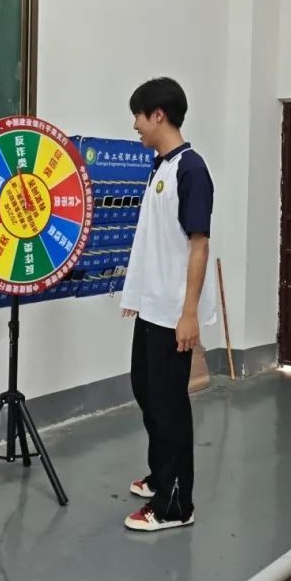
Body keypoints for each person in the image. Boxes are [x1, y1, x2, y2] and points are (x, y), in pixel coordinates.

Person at [120, 77, 217, 532]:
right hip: (152, 308)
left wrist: (189, 313)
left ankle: (176, 505)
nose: (135, 126)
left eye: (138, 117)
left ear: (158, 115)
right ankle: (161, 476)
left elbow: (199, 245)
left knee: (169, 404)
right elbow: (156, 243)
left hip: (174, 313)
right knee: (145, 389)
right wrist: (137, 296)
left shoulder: (191, 170)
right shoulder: (161, 167)